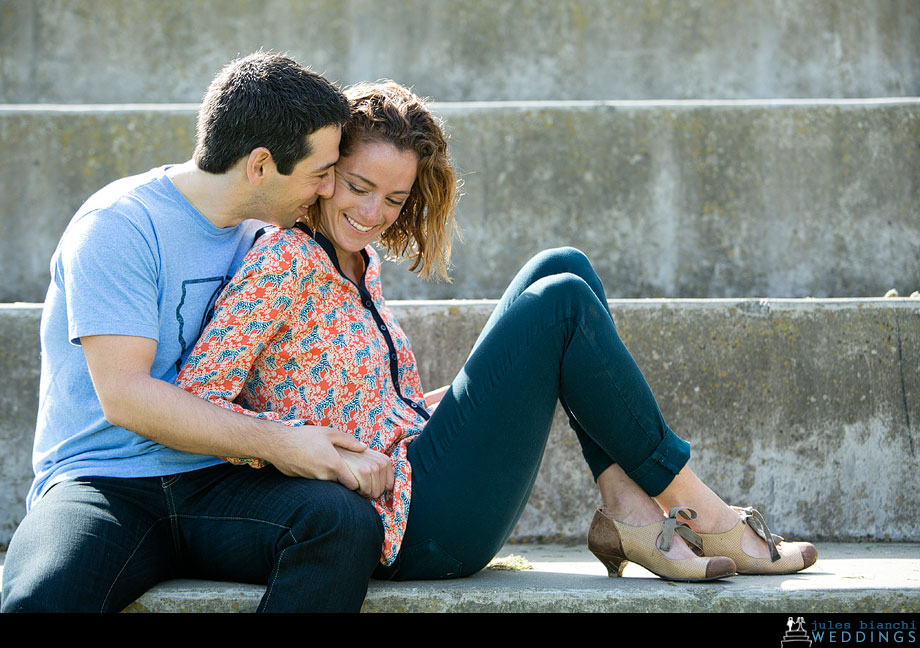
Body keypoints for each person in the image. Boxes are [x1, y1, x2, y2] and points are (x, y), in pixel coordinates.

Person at [176, 81, 818, 585]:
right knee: (560, 301)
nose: (372, 215)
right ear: (324, 168)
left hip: (422, 468)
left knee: (562, 267)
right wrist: (307, 449)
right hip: (411, 524)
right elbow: (197, 399)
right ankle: (700, 509)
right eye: (358, 187)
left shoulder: (357, 263)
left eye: (395, 199)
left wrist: (475, 395)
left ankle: (625, 503)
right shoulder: (284, 258)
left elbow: (370, 403)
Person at [1, 52, 387, 613]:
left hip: (216, 478)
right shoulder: (119, 225)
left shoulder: (273, 237)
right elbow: (127, 398)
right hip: (105, 484)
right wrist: (286, 443)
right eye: (320, 173)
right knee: (42, 598)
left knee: (342, 523)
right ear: (260, 166)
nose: (328, 190)